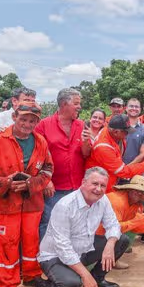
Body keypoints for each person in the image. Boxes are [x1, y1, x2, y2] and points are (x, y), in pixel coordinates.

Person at [0, 101, 54, 287]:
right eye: (23, 119)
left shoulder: (40, 141)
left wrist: (31, 184)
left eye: (32, 121)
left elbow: (47, 168)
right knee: (6, 244)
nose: (27, 124)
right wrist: (5, 183)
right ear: (14, 117)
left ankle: (31, 275)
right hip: (5, 203)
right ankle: (8, 286)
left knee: (31, 240)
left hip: (32, 202)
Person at [38, 167, 130, 287]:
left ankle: (97, 279)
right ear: (83, 182)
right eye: (94, 184)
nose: (98, 189)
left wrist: (110, 244)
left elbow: (113, 224)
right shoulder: (65, 205)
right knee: (71, 284)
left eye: (102, 185)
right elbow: (63, 248)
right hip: (55, 256)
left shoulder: (103, 200)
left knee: (121, 240)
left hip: (83, 249)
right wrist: (85, 275)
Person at [35, 88, 89, 239]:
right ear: (64, 104)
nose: (79, 107)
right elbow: (37, 156)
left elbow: (85, 154)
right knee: (48, 221)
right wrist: (46, 181)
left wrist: (86, 142)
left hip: (77, 186)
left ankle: (68, 257)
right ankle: (46, 258)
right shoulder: (44, 125)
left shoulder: (80, 125)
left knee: (74, 222)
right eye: (76, 103)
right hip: (54, 187)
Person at [104, 175, 144, 268]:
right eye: (135, 189)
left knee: (126, 237)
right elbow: (110, 227)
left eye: (141, 192)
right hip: (93, 233)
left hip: (107, 233)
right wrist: (135, 221)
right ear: (129, 189)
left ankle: (112, 261)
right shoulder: (117, 201)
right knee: (123, 238)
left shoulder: (137, 206)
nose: (138, 193)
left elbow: (136, 228)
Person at [86, 115, 144, 186]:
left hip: (108, 179)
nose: (127, 134)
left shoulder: (110, 130)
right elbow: (122, 172)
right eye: (126, 132)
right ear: (116, 132)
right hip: (100, 186)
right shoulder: (103, 147)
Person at [122, 98, 144, 165]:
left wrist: (127, 168)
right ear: (126, 108)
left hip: (134, 169)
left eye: (136, 107)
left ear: (140, 109)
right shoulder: (117, 125)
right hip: (115, 167)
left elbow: (143, 154)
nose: (134, 108)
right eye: (131, 106)